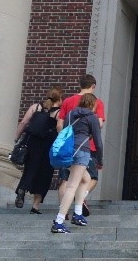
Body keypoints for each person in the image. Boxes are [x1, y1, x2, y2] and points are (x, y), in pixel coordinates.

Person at [51, 93, 103, 234]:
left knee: (86, 179)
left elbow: (66, 130)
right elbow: (98, 141)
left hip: (69, 151)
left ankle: (78, 214)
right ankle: (59, 221)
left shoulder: (71, 114)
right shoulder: (92, 117)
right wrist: (100, 159)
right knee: (72, 185)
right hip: (82, 151)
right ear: (92, 104)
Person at [57, 75, 105, 219]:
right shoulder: (96, 105)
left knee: (72, 180)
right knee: (81, 182)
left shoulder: (68, 104)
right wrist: (100, 159)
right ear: (93, 86)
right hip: (85, 148)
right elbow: (99, 126)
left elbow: (60, 125)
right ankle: (61, 217)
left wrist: (63, 142)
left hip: (68, 147)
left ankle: (70, 212)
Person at [15, 87, 62, 214]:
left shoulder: (35, 107)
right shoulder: (58, 113)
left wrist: (16, 138)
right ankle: (35, 206)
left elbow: (24, 122)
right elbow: (59, 127)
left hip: (32, 142)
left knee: (30, 168)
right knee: (44, 174)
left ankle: (22, 189)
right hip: (48, 145)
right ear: (59, 99)